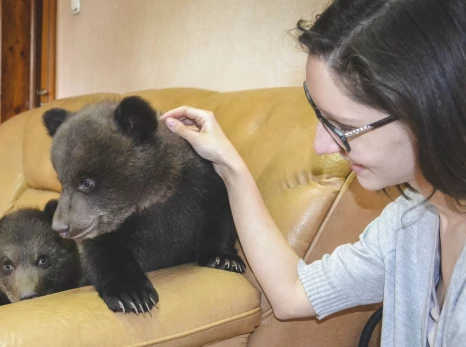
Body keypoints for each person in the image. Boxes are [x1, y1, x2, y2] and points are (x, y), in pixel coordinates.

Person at [159, 0, 466, 346]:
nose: (324, 146)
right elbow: (292, 294)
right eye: (321, 116)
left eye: (346, 126)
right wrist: (229, 165)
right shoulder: (410, 221)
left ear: (432, 109)